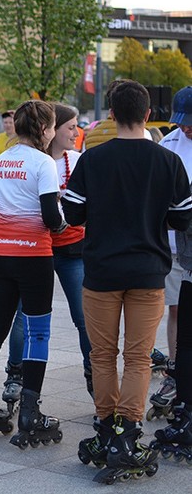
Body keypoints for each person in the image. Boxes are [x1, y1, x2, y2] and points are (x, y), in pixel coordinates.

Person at [63, 80, 191, 483]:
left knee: (102, 355)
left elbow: (73, 215)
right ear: (149, 113)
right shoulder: (167, 161)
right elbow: (183, 217)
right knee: (138, 357)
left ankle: (104, 429)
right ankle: (127, 434)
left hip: (100, 270)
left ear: (112, 114)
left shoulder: (93, 160)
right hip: (149, 271)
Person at [0, 100, 64, 448]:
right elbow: (51, 217)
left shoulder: (1, 161)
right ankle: (31, 413)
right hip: (33, 255)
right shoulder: (44, 163)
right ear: (44, 130)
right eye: (51, 127)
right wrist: (66, 221)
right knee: (37, 332)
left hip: (0, 254)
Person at [0, 103, 94, 415]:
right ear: (50, 131)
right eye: (70, 127)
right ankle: (15, 373)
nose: (75, 133)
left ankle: (94, 373)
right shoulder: (35, 163)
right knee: (24, 316)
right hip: (34, 248)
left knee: (84, 317)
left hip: (71, 250)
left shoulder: (77, 161)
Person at [153, 86, 192, 420]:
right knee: (177, 310)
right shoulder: (170, 142)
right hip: (175, 243)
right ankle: (175, 371)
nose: (187, 127)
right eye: (183, 121)